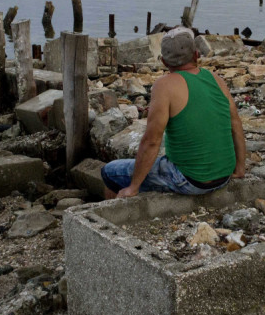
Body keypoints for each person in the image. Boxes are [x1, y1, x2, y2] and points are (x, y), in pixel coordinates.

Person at [101, 26, 246, 198]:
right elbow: (235, 124)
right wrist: (240, 168)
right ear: (196, 55)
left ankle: (115, 213)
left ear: (163, 61)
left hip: (191, 180)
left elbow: (152, 141)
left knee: (109, 173)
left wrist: (133, 187)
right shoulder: (216, 79)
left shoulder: (164, 85)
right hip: (223, 175)